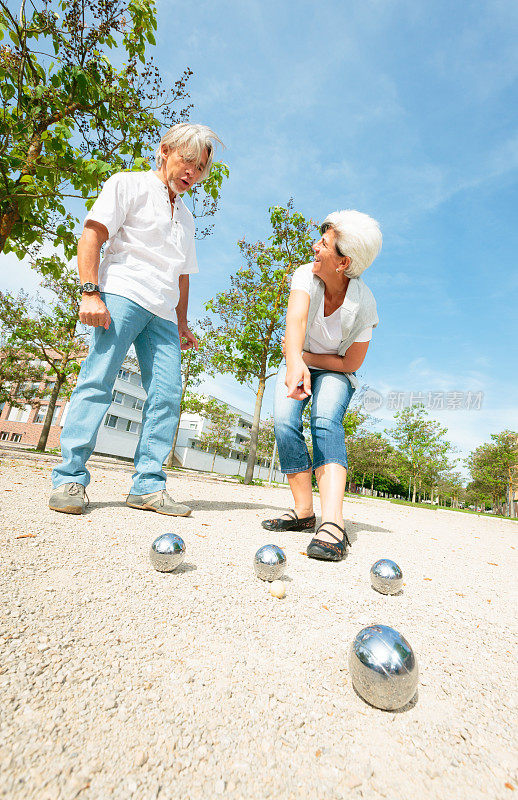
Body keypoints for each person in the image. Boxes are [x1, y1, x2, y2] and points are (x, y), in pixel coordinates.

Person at [49, 123, 223, 515]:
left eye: (199, 168)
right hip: (122, 294)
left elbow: (182, 275)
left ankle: (147, 485)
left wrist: (182, 323)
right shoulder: (127, 184)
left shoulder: (189, 218)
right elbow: (91, 235)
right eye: (187, 161)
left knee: (166, 394)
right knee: (98, 381)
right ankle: (70, 479)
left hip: (163, 315)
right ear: (165, 151)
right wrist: (90, 292)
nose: (191, 173)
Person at [262, 210, 382, 561]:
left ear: (344, 262)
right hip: (299, 357)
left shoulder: (365, 306)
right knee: (285, 420)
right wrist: (294, 360)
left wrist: (306, 360)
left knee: (325, 420)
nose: (315, 247)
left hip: (334, 370)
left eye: (324, 244)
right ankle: (303, 512)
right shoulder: (306, 276)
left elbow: (350, 363)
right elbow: (296, 321)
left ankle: (333, 523)